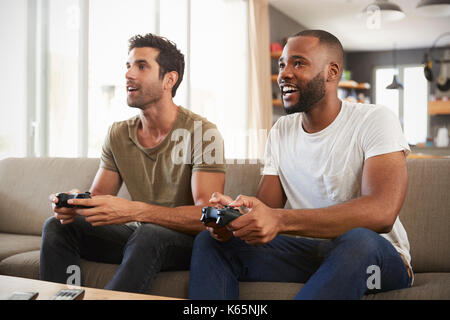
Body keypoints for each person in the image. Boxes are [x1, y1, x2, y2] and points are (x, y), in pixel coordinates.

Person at [188, 29, 413, 300]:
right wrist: (235, 219)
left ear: (332, 72)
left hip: (376, 262)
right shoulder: (282, 130)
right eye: (282, 64)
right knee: (209, 243)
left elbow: (382, 212)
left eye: (298, 63)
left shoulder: (375, 120)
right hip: (308, 255)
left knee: (358, 241)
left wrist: (280, 220)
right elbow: (266, 210)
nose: (283, 73)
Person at [40, 33, 226, 294]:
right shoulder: (118, 133)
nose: (128, 74)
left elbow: (207, 215)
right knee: (58, 227)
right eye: (127, 66)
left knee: (149, 233)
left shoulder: (202, 133)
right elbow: (100, 198)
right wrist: (75, 203)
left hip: (185, 242)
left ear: (169, 80)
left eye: (141, 66)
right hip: (139, 237)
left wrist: (136, 212)